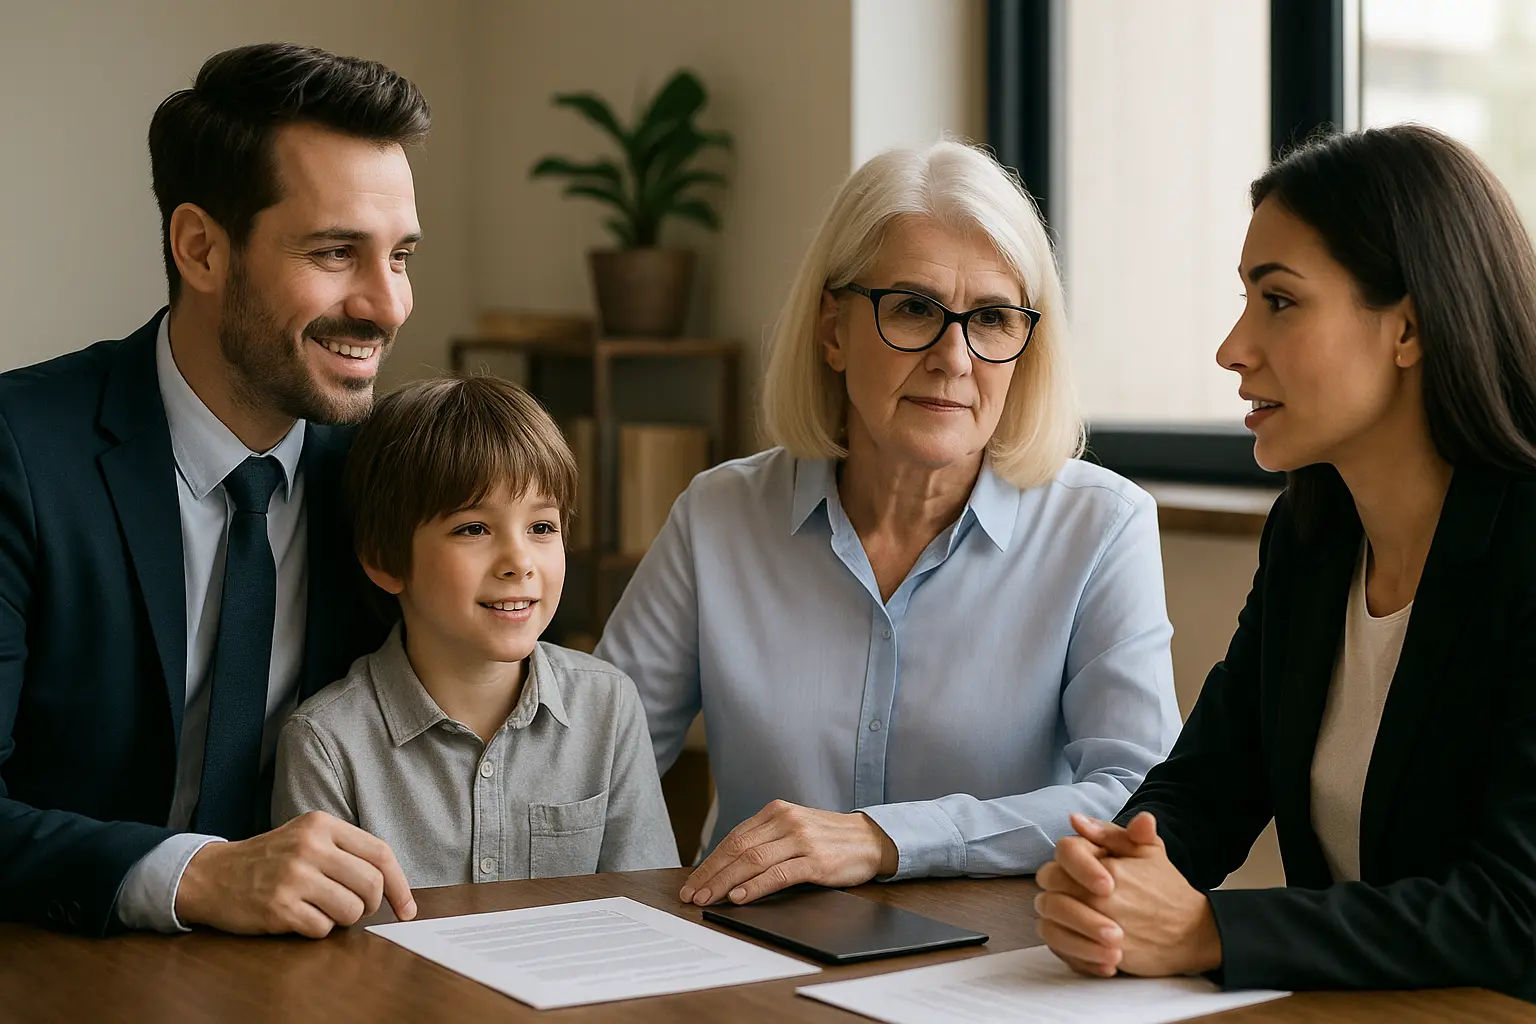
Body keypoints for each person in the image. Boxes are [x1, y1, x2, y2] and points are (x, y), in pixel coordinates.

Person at [596, 140, 1181, 908]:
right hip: (752, 955)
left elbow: (1138, 797)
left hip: (997, 968)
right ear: (833, 330)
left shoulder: (1102, 528)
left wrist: (886, 838)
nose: (954, 357)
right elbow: (593, 762)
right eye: (913, 308)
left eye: (994, 318)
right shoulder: (719, 515)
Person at [1034, 124, 1536, 1001]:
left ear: (1410, 327)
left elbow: (1515, 915)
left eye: (1280, 301)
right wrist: (1116, 871)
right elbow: (1210, 781)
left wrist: (1206, 930)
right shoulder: (1313, 538)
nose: (1233, 348)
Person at [0, 42, 429, 937]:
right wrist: (195, 874)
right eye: (336, 251)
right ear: (200, 247)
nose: (387, 306)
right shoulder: (19, 454)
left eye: (401, 256)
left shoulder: (386, 475)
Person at [272, 376, 679, 885]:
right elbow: (332, 955)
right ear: (383, 560)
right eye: (473, 529)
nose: (518, 562)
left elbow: (646, 913)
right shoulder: (326, 746)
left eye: (542, 527)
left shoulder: (610, 706)